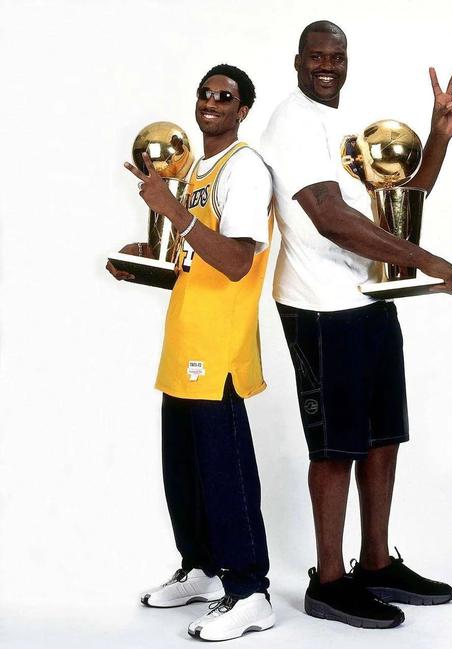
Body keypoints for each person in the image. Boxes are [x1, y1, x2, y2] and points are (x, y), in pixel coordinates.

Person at [261, 20, 452, 629]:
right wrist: (425, 259)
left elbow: (397, 208)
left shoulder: (339, 124)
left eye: (337, 57)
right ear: (298, 61)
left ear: (347, 62)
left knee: (382, 437)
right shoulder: (292, 123)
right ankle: (328, 582)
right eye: (317, 56)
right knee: (336, 445)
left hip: (369, 298)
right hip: (319, 307)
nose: (327, 66)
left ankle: (376, 564)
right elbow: (328, 216)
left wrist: (438, 137)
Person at [107, 64, 275, 642]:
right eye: (205, 93)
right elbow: (195, 260)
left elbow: (237, 262)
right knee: (184, 471)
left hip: (218, 347)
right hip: (184, 340)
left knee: (225, 472)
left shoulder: (244, 167)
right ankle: (202, 568)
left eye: (225, 96)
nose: (211, 102)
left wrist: (172, 210)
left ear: (243, 110)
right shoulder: (198, 170)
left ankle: (250, 592)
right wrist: (142, 261)